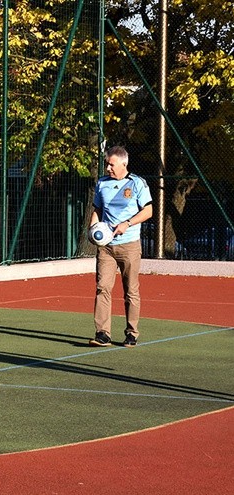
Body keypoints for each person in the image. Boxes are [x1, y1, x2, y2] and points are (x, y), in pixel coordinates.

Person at [89, 145, 153, 348]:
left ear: (123, 163)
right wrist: (93, 229)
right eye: (107, 164)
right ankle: (102, 334)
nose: (108, 168)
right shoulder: (102, 183)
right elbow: (98, 210)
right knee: (102, 288)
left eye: (111, 164)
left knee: (131, 290)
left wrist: (128, 223)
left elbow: (148, 211)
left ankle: (132, 333)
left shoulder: (137, 184)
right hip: (106, 247)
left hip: (129, 245)